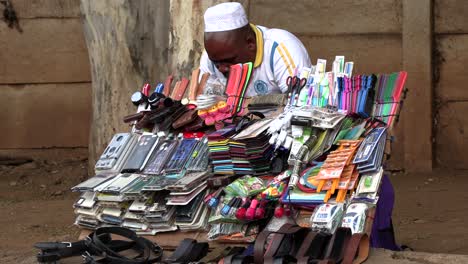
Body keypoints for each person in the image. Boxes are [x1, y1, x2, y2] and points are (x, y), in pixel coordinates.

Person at [200, 2, 311, 97]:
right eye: (216, 63)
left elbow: (297, 105)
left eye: (229, 60)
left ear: (250, 43)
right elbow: (207, 104)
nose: (222, 69)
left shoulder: (280, 48)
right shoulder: (212, 56)